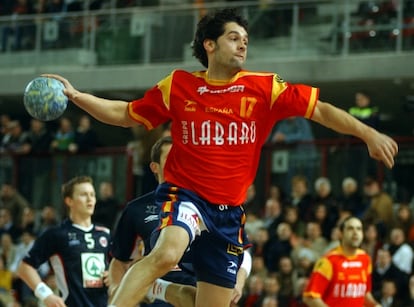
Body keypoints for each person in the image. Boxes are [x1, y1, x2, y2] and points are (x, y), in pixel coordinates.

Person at [43, 8, 398, 306]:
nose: (243, 42)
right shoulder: (179, 85)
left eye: (245, 38)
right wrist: (77, 96)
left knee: (212, 302)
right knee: (167, 254)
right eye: (233, 36)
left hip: (229, 212)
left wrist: (368, 133)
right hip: (187, 196)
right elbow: (125, 113)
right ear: (209, 45)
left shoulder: (264, 88)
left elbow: (319, 110)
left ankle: (160, 290)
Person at [109, 135, 252, 306]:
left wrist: (239, 280)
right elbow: (119, 259)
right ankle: (156, 288)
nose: (178, 163)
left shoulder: (207, 202)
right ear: (155, 167)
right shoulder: (136, 208)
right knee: (167, 258)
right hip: (160, 298)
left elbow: (238, 247)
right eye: (170, 158)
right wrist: (116, 289)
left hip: (200, 288)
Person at [17, 176, 111, 307]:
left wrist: (113, 275)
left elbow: (119, 266)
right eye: (84, 195)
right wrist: (46, 295)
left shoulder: (104, 233)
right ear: (69, 201)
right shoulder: (57, 234)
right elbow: (24, 268)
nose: (90, 199)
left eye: (92, 194)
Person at [303, 216, 381, 307]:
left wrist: (375, 305)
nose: (355, 233)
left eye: (359, 229)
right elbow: (310, 297)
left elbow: (364, 294)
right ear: (341, 234)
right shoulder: (328, 261)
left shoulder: (365, 259)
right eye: (350, 229)